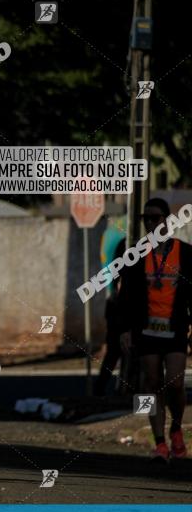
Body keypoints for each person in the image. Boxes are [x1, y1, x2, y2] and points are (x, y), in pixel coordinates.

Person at [117, 198, 188, 462]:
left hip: (176, 327)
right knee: (150, 382)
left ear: (167, 221)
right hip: (146, 329)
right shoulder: (135, 254)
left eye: (155, 217)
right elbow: (126, 297)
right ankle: (159, 442)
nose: (150, 222)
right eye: (145, 218)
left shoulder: (185, 252)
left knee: (177, 382)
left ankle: (177, 428)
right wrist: (124, 329)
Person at [94, 220, 126, 397]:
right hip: (118, 306)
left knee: (115, 352)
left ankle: (117, 387)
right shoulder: (127, 246)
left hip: (116, 305)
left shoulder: (126, 244)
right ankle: (103, 387)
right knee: (115, 351)